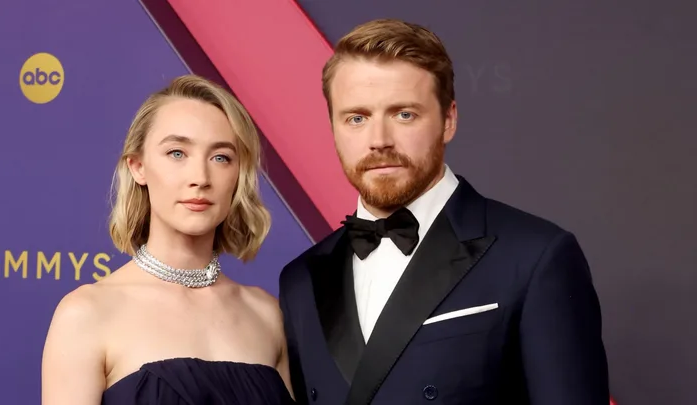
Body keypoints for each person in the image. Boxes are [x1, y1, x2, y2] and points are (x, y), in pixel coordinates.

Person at [279, 19, 610, 405]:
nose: (379, 141)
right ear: (333, 128)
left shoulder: (536, 256)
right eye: (357, 118)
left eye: (404, 114)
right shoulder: (300, 280)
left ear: (448, 120)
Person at [41, 75, 295, 405]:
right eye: (177, 153)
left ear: (238, 174)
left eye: (221, 157)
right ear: (138, 167)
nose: (200, 179)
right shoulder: (87, 314)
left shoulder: (265, 313)